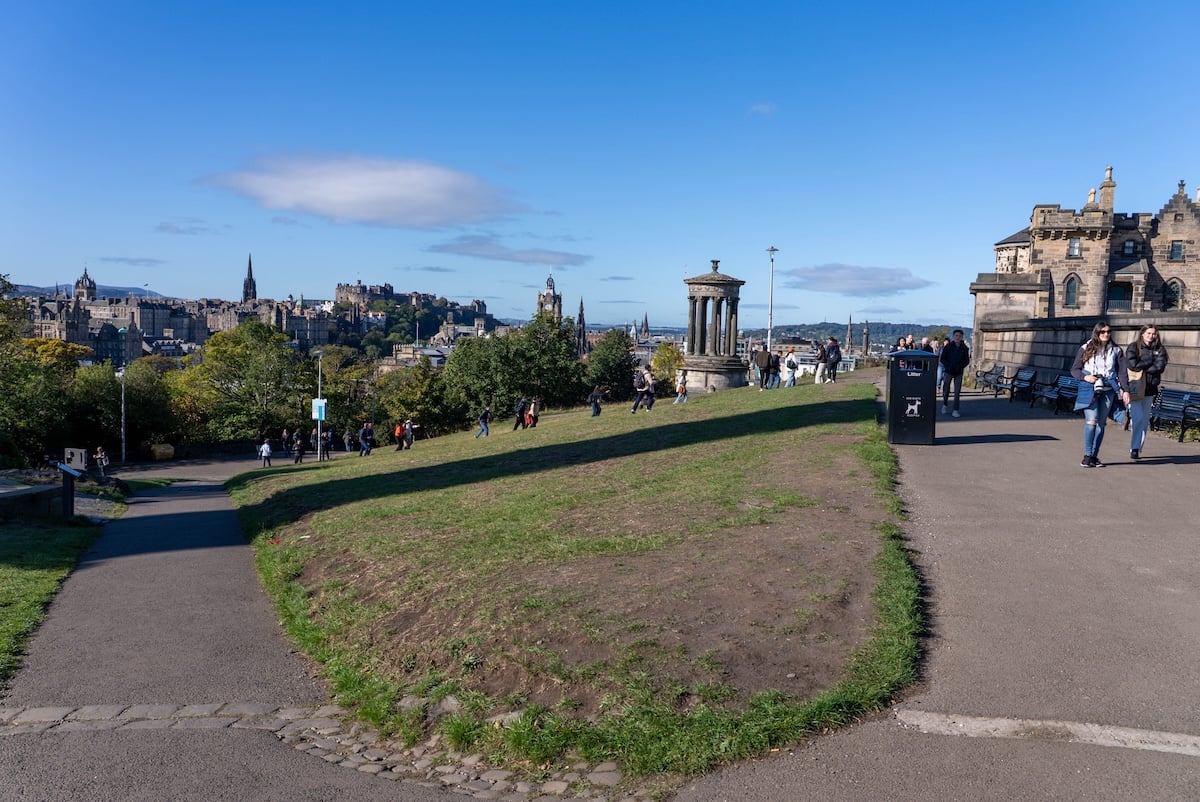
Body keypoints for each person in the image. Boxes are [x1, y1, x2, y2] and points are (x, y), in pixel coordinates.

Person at [1071, 321, 1131, 468]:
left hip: (1108, 390)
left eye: (1108, 332)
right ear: (1097, 333)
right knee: (1091, 422)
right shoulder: (1086, 348)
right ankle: (1087, 455)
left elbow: (1122, 373)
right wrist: (1086, 377)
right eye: (1103, 332)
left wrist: (1126, 390)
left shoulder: (1116, 350)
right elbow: (1075, 370)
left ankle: (1094, 456)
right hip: (1089, 388)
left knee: (1101, 424)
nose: (1106, 334)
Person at [1125, 324, 1168, 460]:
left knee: (1144, 421)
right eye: (1148, 333)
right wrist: (1149, 361)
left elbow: (1160, 366)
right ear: (1142, 334)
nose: (1151, 336)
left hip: (1150, 388)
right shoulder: (1133, 347)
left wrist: (1144, 365)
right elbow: (1133, 364)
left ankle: (1136, 448)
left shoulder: (1160, 349)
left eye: (1153, 333)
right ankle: (1134, 446)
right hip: (1136, 388)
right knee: (1136, 419)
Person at [939, 329, 970, 417]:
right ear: (953, 336)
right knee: (946, 389)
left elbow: (966, 360)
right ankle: (945, 404)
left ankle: (955, 409)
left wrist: (960, 366)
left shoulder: (964, 348)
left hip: (958, 372)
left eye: (959, 336)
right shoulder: (948, 346)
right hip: (949, 371)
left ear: (961, 337)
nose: (958, 337)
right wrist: (948, 366)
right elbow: (942, 358)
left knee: (957, 392)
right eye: (956, 335)